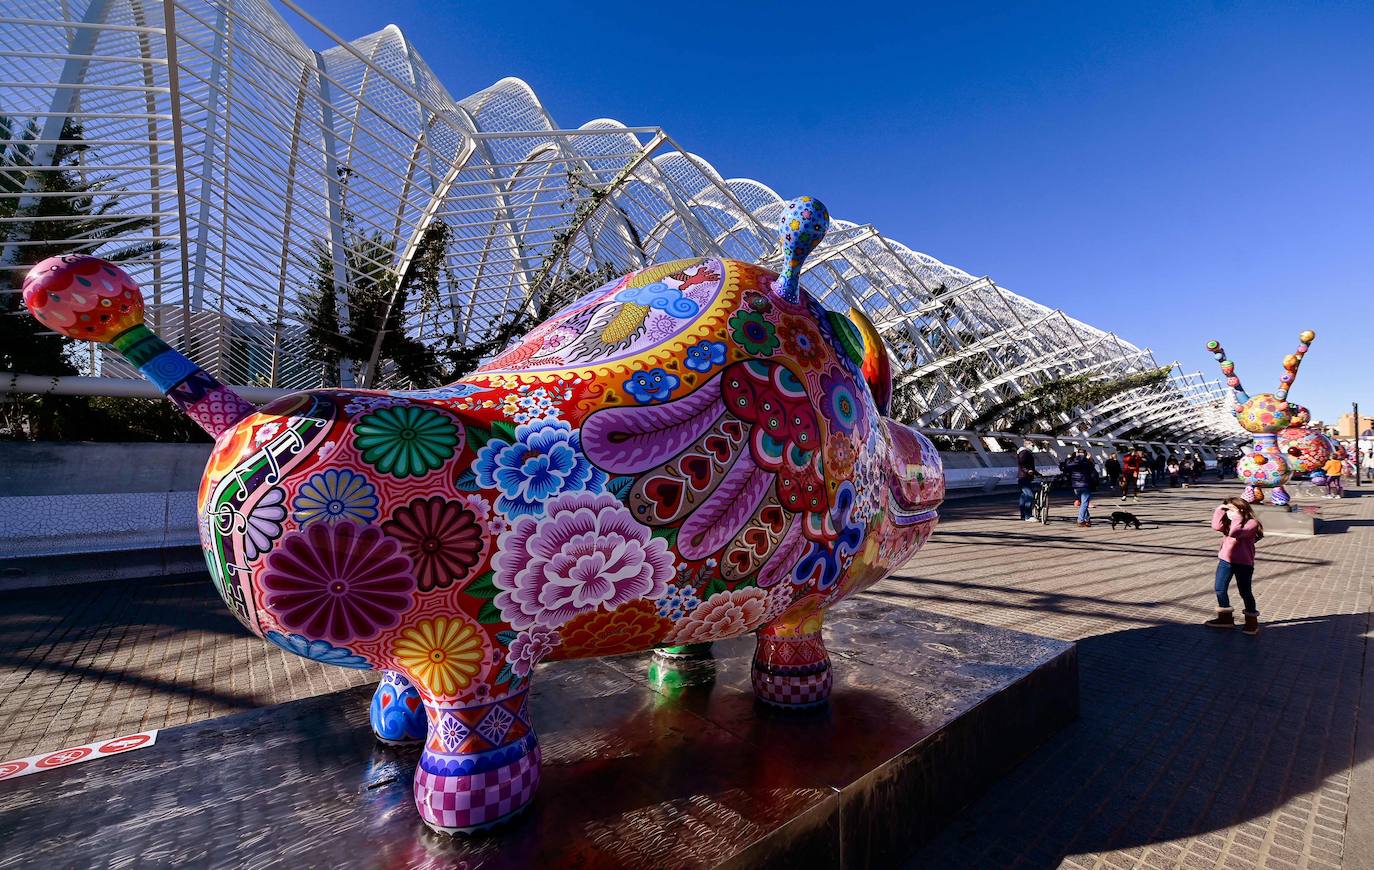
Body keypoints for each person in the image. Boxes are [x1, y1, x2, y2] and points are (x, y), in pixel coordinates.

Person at [1205, 498, 1263, 635]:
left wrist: (1237, 517)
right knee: (1219, 589)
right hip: (1226, 561)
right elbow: (1216, 526)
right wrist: (1219, 510)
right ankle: (1225, 619)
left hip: (1244, 563)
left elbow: (1235, 533)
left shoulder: (1252, 523)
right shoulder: (1229, 522)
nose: (1229, 513)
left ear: (1242, 509)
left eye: (1232, 509)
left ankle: (1251, 622)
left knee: (1245, 592)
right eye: (1228, 509)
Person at [1061, 448, 1099, 527]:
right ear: (1085, 454)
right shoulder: (1087, 461)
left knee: (1083, 503)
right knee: (1084, 503)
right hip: (1086, 484)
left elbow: (1066, 465)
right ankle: (1080, 520)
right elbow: (1093, 470)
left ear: (1077, 453)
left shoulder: (1073, 461)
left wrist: (1072, 457)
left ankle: (1087, 519)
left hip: (1075, 485)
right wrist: (1090, 458)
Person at [1017, 443, 1037, 521]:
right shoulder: (1024, 452)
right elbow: (1022, 464)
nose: (1033, 446)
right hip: (1024, 477)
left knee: (1024, 497)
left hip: (1024, 477)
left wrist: (1037, 473)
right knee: (1030, 496)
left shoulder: (1025, 452)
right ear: (1026, 444)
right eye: (1031, 444)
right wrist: (1027, 471)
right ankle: (1028, 516)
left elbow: (1029, 466)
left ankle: (1023, 515)